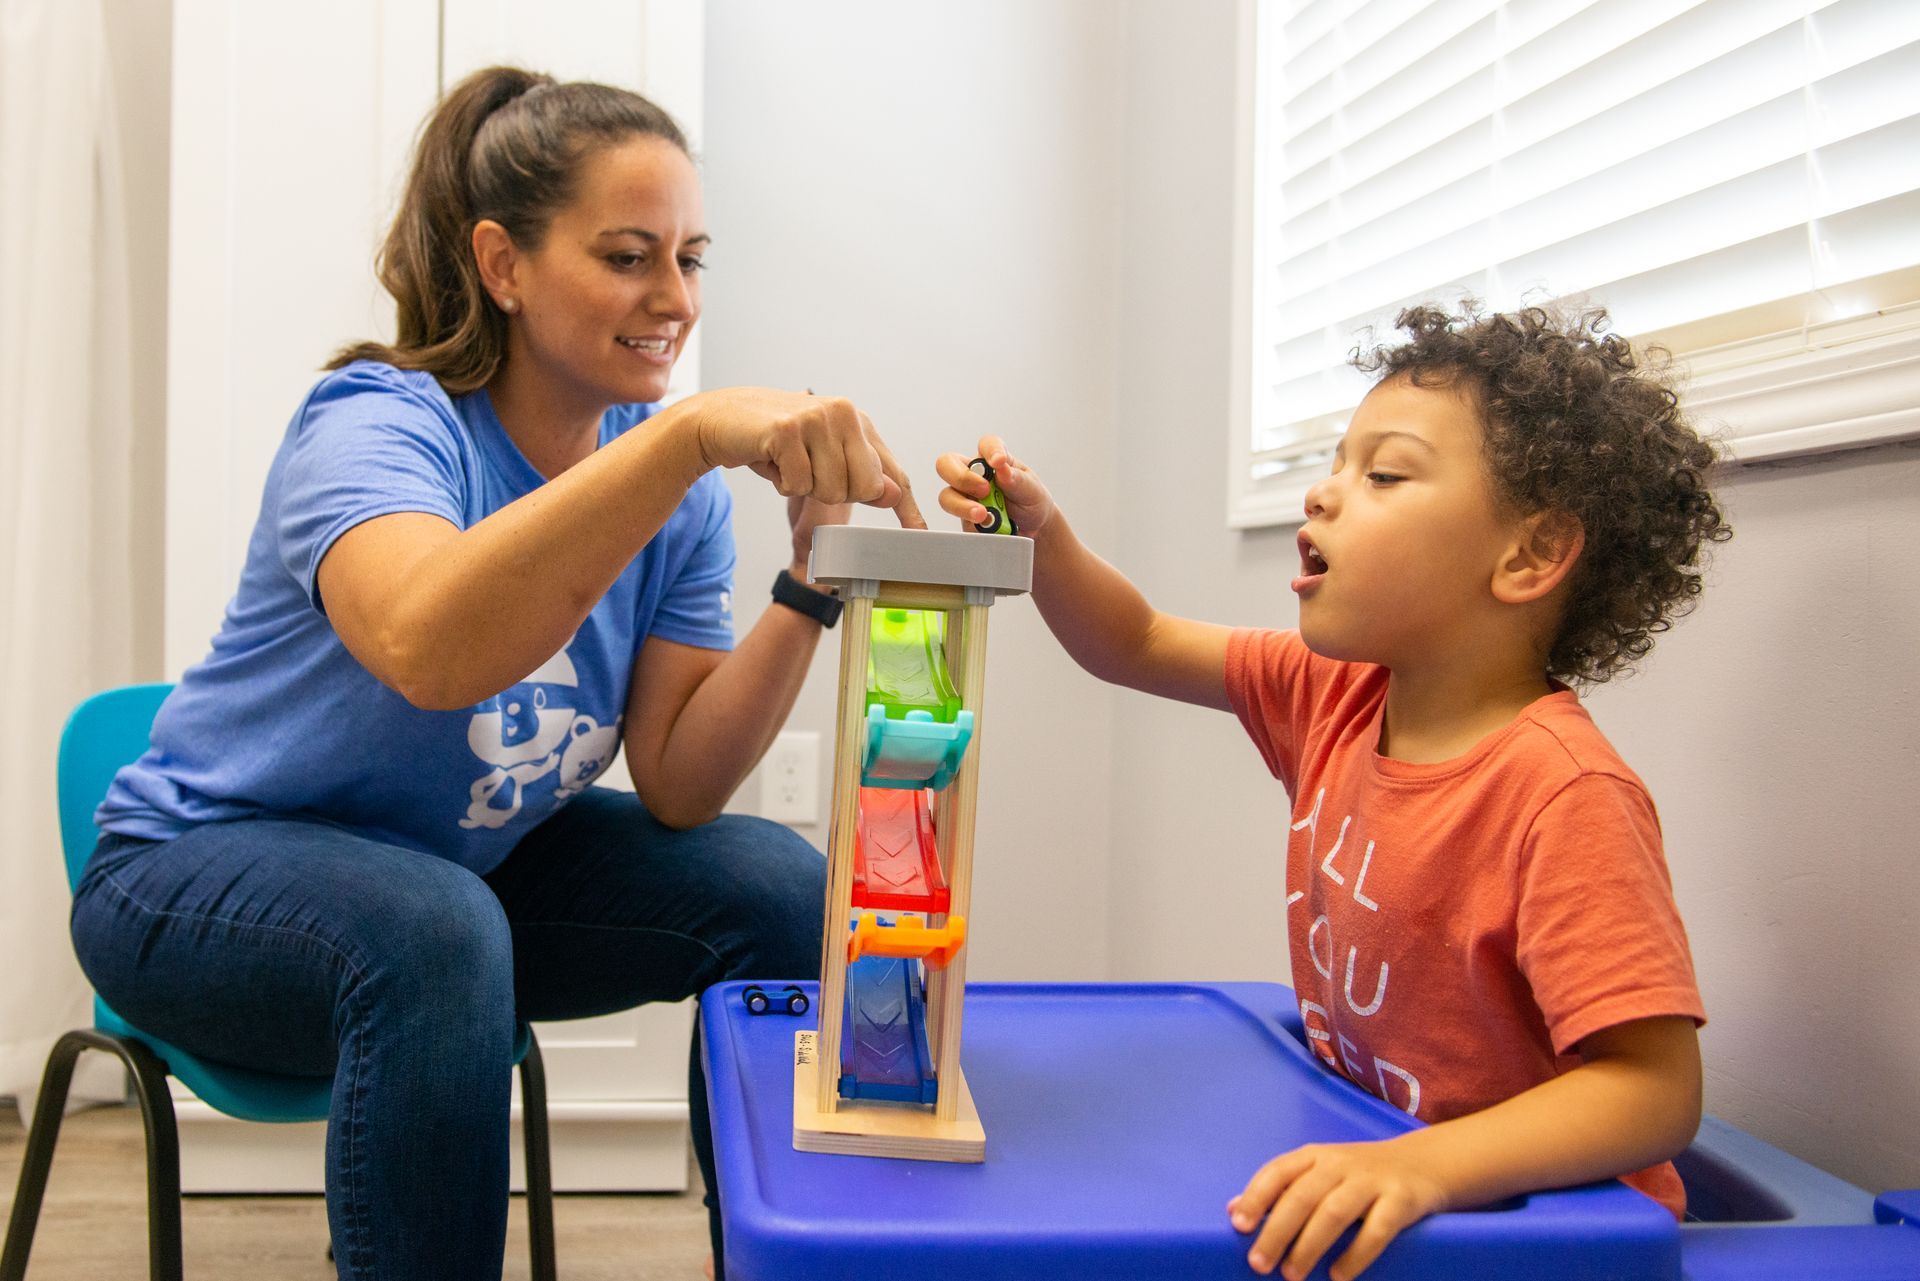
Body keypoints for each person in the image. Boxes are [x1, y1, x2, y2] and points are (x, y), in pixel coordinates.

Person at [72, 67, 917, 1280]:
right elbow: (430, 649)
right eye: (629, 255)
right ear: (503, 265)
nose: (671, 298)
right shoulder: (378, 423)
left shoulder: (669, 501)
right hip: (189, 883)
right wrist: (687, 437)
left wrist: (812, 582)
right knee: (434, 931)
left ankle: (790, 1256)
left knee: (778, 888)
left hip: (452, 881)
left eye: (690, 259)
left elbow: (680, 784)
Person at [936, 302, 1729, 1281]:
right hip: (1383, 1185)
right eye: (1337, 462)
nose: (1322, 494)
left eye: (1383, 474)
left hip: (1547, 1241)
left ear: (1527, 555)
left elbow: (1652, 1092)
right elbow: (1131, 641)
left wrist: (1426, 1166)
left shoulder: (1565, 797)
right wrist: (1045, 538)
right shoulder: (1336, 697)